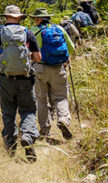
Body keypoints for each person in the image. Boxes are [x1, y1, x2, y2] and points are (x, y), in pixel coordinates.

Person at [0, 5, 41, 162]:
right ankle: (28, 137)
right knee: (28, 110)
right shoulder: (27, 32)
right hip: (25, 78)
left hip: (6, 78)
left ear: (6, 16)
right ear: (18, 17)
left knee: (8, 113)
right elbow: (38, 57)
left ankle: (10, 146)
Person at [30, 8, 76, 142]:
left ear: (38, 19)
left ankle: (44, 129)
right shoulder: (59, 29)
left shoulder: (34, 31)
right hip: (58, 68)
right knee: (61, 97)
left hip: (40, 68)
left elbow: (28, 51)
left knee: (41, 99)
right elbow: (71, 47)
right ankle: (63, 119)